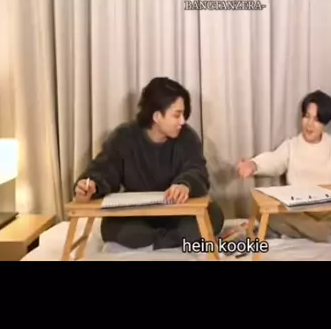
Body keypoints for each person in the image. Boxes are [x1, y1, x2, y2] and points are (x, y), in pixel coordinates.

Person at [74, 77, 224, 250]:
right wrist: (91, 186)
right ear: (157, 116)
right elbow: (104, 169)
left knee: (214, 216)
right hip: (138, 213)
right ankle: (170, 239)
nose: (182, 121)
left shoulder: (187, 137)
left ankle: (155, 240)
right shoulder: (124, 136)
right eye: (177, 115)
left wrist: (185, 185)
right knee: (111, 227)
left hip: (178, 212)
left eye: (183, 115)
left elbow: (197, 170)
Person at [237, 89, 331, 242]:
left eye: (316, 119)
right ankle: (320, 231)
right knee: (265, 213)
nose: (309, 124)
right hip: (299, 211)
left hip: (330, 211)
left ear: (324, 123)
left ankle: (316, 230)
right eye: (307, 116)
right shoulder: (292, 145)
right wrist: (253, 165)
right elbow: (274, 160)